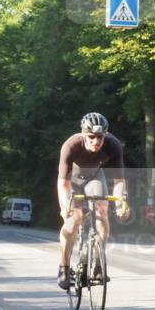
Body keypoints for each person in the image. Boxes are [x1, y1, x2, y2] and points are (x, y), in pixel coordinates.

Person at [57, 113, 130, 289]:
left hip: (94, 176)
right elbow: (63, 184)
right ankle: (64, 267)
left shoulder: (113, 145)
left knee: (102, 210)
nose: (96, 141)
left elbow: (119, 182)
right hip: (72, 180)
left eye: (100, 137)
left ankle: (97, 262)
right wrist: (65, 206)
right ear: (83, 134)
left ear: (106, 134)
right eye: (91, 137)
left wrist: (121, 203)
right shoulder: (71, 145)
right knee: (75, 219)